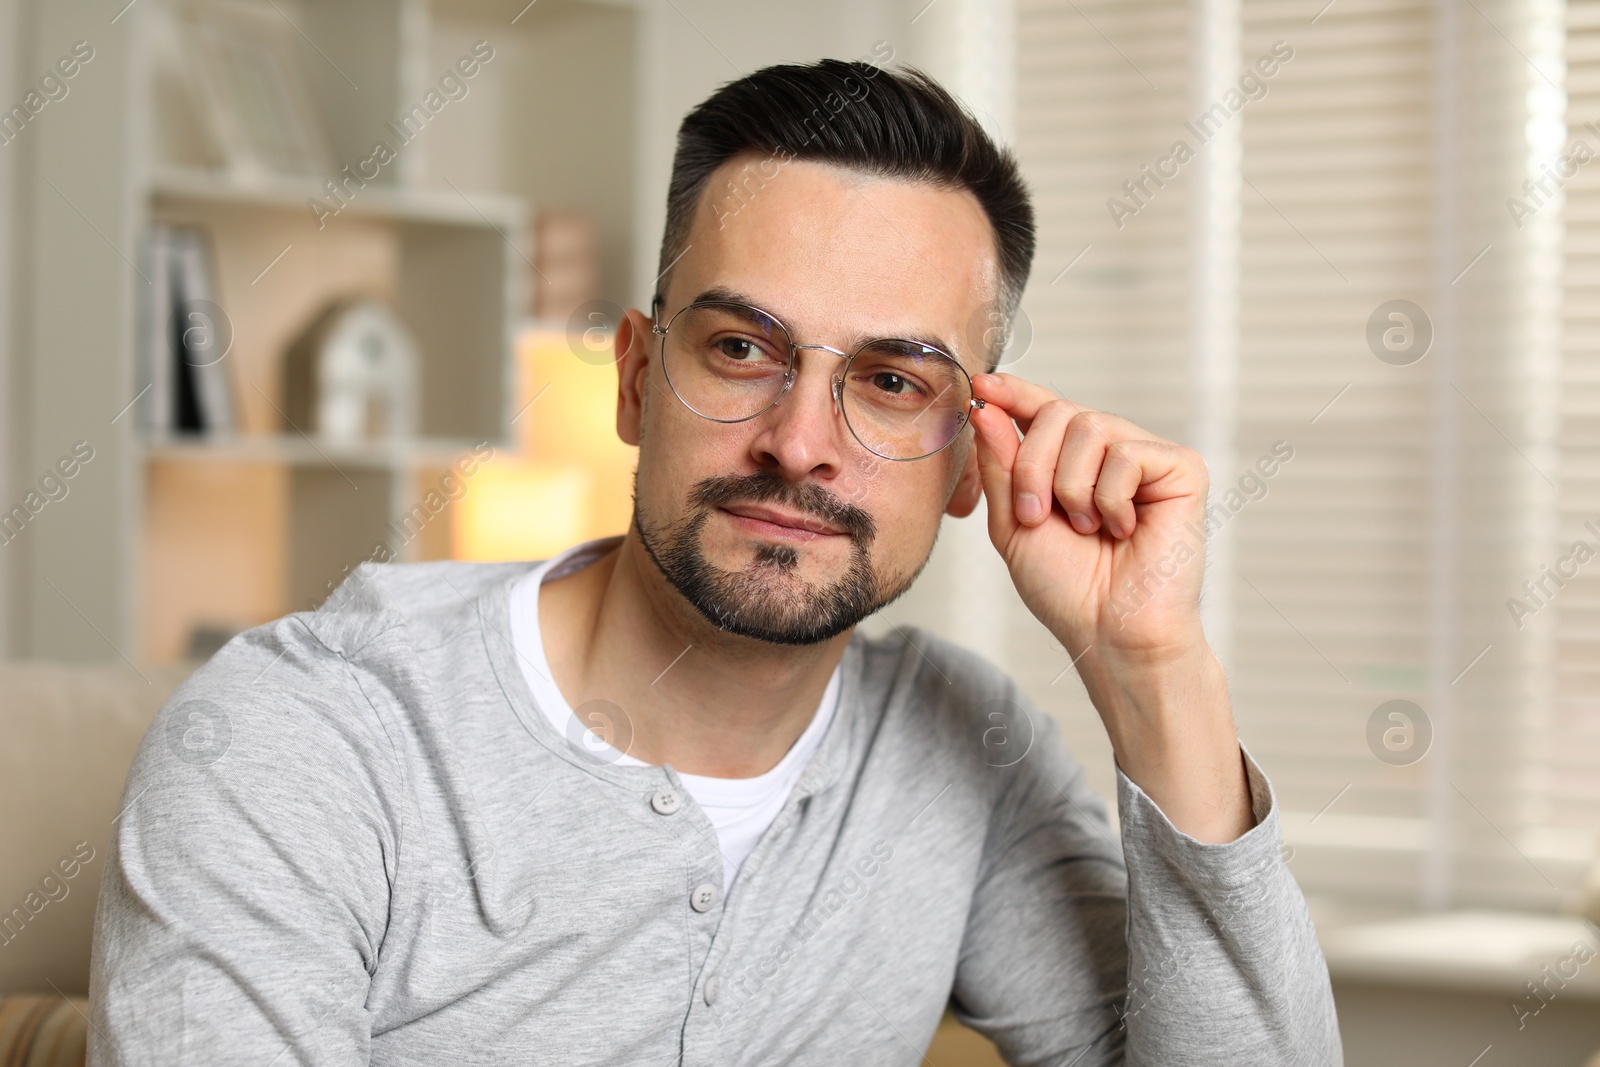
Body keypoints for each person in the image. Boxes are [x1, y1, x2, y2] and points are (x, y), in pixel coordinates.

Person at [89, 58, 1341, 1065]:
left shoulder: (965, 747)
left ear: (971, 457)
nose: (800, 445)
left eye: (892, 382)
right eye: (742, 350)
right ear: (637, 376)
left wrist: (1151, 667)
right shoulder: (304, 735)